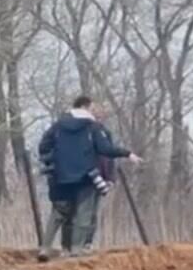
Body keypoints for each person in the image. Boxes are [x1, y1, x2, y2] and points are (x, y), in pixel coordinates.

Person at [37, 96, 138, 261]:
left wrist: (54, 160)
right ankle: (76, 250)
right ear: (85, 107)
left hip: (61, 176)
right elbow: (105, 149)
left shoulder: (58, 126)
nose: (94, 111)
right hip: (86, 175)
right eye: (92, 108)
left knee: (58, 213)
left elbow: (43, 146)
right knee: (84, 213)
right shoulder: (92, 127)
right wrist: (127, 153)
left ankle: (45, 248)